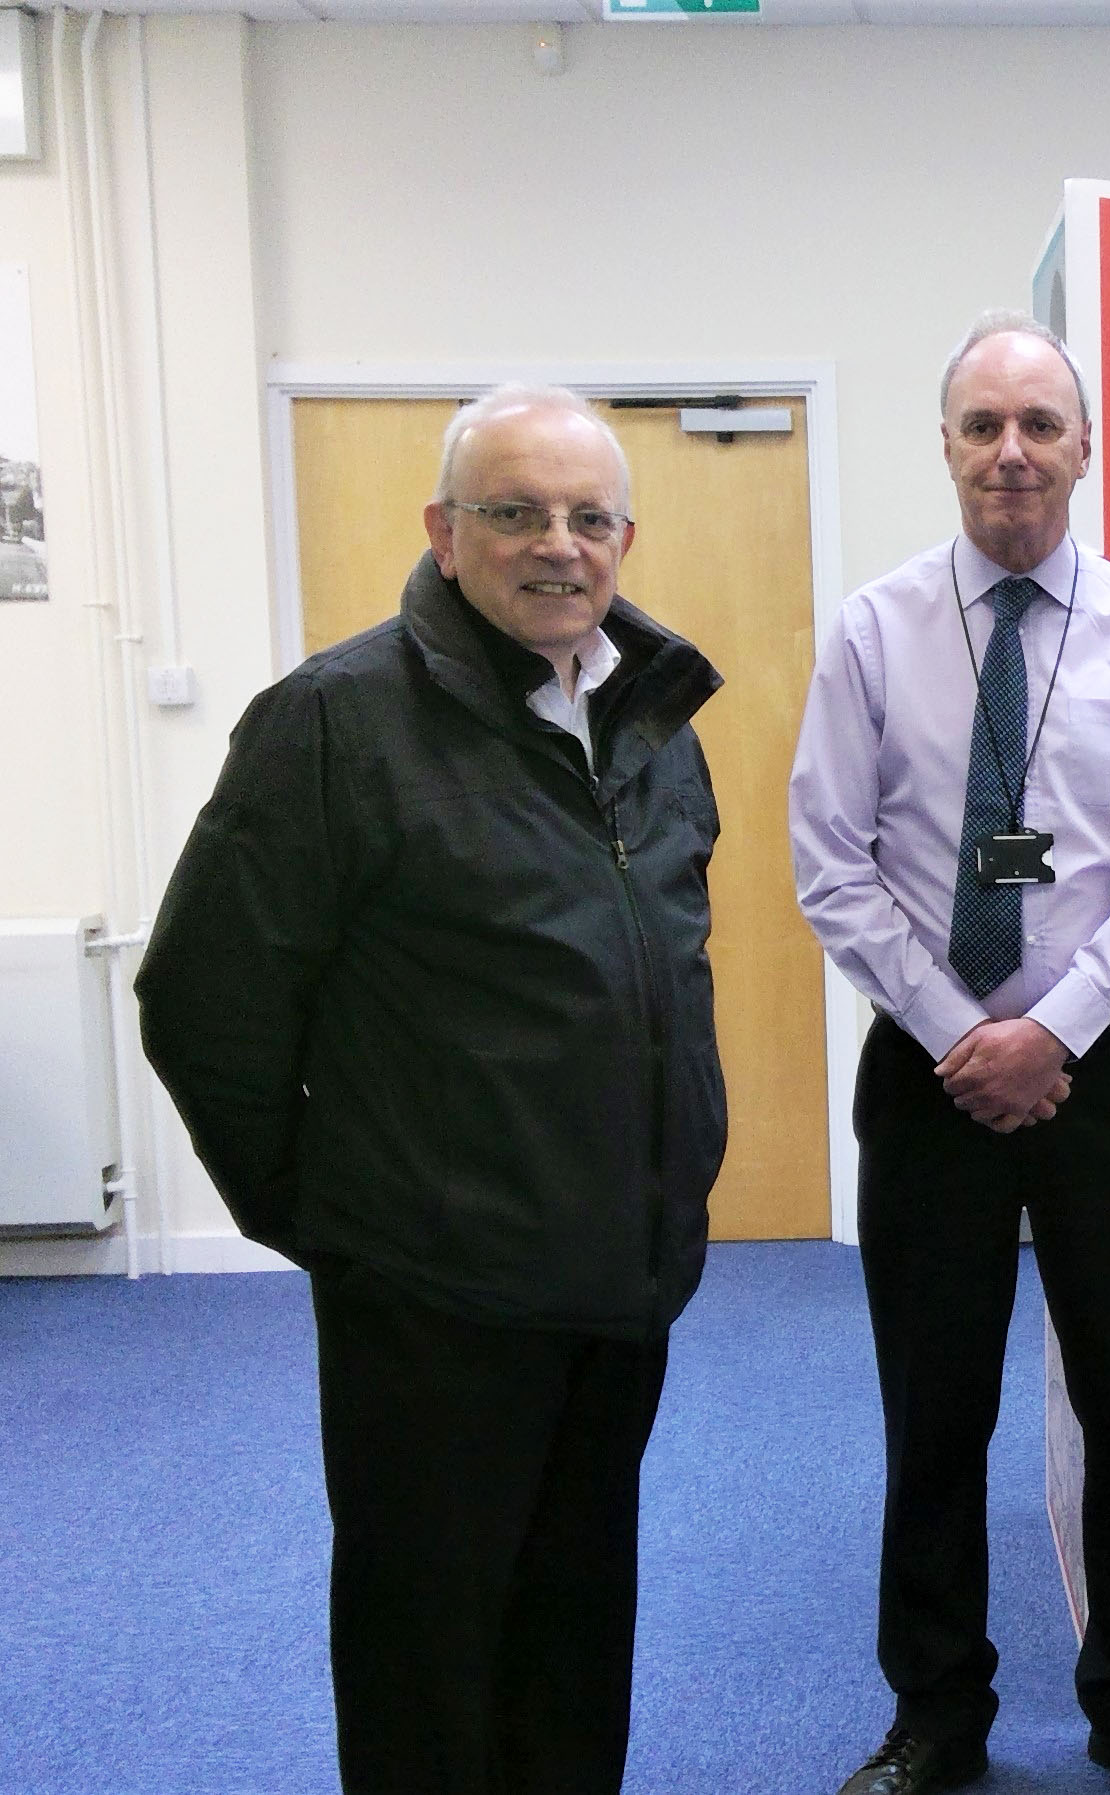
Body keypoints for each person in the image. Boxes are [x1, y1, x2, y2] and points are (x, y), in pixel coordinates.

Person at [136, 383, 727, 1792]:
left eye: (587, 517)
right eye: (514, 511)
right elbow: (202, 999)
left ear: (625, 537)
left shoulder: (651, 717)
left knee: (575, 1634)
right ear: (443, 531)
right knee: (427, 1654)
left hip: (617, 1275)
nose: (555, 545)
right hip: (433, 1294)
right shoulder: (333, 722)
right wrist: (337, 1215)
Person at [790, 313, 1110, 1795]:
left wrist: (1047, 1029)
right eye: (982, 422)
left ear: (1084, 449)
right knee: (934, 1405)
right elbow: (830, 861)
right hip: (927, 1072)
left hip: (1106, 1063)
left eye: (1039, 423)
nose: (1010, 451)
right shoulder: (871, 629)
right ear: (942, 446)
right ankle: (936, 1712)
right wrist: (960, 1032)